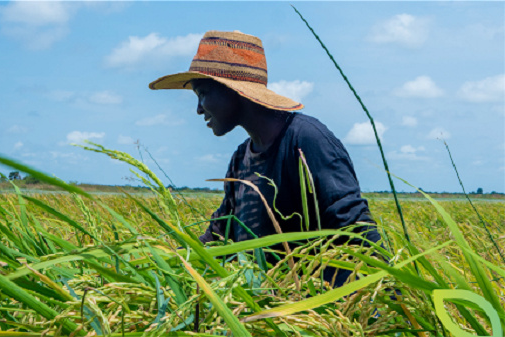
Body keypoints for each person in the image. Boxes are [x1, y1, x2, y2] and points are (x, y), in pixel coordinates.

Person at [149, 30, 380, 288]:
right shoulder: (240, 159)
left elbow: (358, 235)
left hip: (310, 311)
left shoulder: (305, 142)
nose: (199, 108)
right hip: (263, 311)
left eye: (202, 93)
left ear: (232, 90)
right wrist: (162, 268)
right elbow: (219, 235)